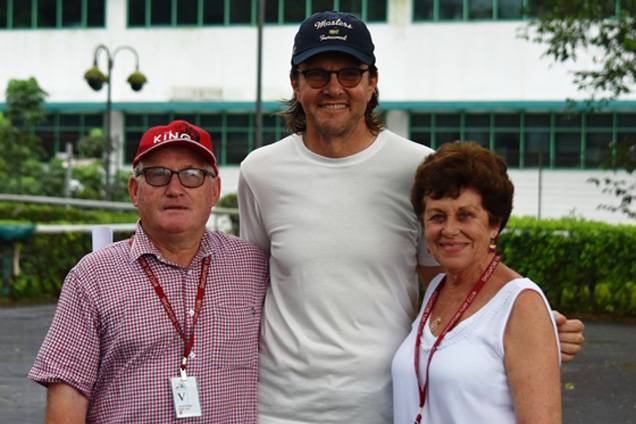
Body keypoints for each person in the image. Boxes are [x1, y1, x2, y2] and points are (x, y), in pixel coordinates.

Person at [238, 10, 583, 423]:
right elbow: (248, 289)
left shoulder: (415, 168)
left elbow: (452, 275)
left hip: (387, 405)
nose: (334, 88)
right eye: (316, 74)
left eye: (350, 73)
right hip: (280, 410)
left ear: (372, 81)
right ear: (296, 82)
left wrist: (528, 320)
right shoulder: (260, 171)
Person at [29, 120, 269, 423]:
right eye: (158, 175)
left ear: (215, 191)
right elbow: (68, 391)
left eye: (192, 175)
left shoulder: (252, 266)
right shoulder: (92, 277)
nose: (174, 189)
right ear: (134, 191)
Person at [392, 141, 561, 423]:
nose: (449, 230)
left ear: (495, 224)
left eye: (465, 215)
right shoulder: (437, 288)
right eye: (437, 216)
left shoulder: (521, 305)